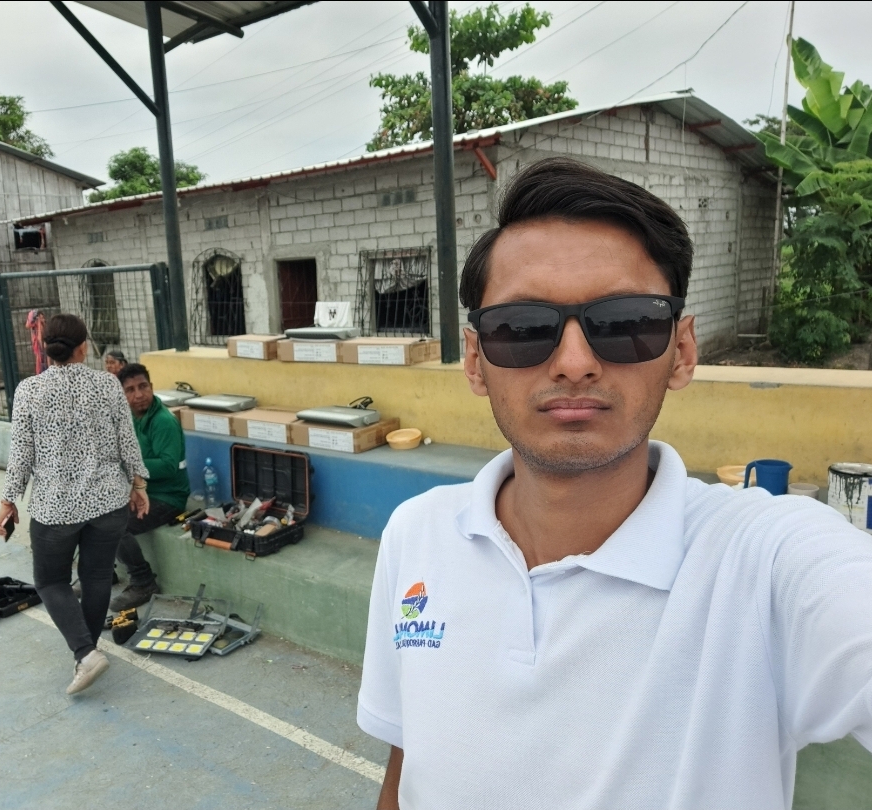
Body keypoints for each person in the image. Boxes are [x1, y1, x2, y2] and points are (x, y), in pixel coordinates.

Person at [357, 158, 872, 810]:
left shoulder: (764, 563)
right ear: (475, 361)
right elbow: (407, 764)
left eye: (627, 322)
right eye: (522, 328)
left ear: (682, 351)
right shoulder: (416, 533)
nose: (574, 364)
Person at [0, 314, 149, 696]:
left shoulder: (29, 390)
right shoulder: (108, 384)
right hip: (108, 502)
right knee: (96, 577)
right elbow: (127, 440)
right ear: (83, 347)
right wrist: (138, 484)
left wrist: (8, 499)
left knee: (50, 581)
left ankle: (85, 653)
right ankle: (88, 651)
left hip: (56, 508)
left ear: (46, 348)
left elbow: (21, 454)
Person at [109, 362, 190, 612]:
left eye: (143, 386)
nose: (139, 395)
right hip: (139, 490)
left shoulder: (163, 421)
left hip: (168, 497)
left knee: (114, 525)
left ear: (152, 387)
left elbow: (168, 466)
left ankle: (143, 582)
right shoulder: (127, 418)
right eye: (130, 389)